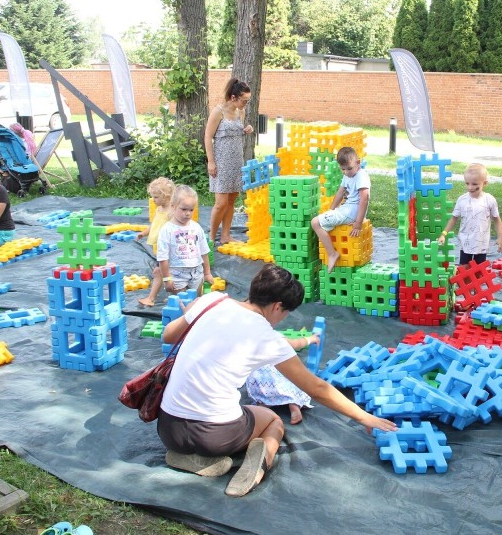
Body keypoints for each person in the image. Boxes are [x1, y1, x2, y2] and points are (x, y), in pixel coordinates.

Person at [158, 264, 397, 497]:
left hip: (167, 428)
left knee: (225, 411)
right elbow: (316, 388)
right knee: (273, 421)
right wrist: (363, 416)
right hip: (215, 436)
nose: (282, 319)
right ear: (278, 306)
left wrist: (194, 311)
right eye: (285, 313)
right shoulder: (266, 337)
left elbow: (169, 335)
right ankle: (257, 468)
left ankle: (189, 457)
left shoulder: (211, 301)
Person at [205, 78, 255, 246]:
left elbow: (239, 130)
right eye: (244, 100)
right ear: (233, 97)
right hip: (221, 161)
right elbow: (207, 137)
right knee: (221, 203)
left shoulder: (240, 112)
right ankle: (212, 237)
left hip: (236, 160)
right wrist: (211, 162)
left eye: (248, 101)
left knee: (232, 199)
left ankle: (226, 235)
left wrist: (248, 129)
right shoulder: (218, 111)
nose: (245, 104)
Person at [147, 185, 214, 305]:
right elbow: (163, 258)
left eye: (191, 210)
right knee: (181, 304)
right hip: (177, 274)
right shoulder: (167, 230)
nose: (188, 214)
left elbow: (204, 251)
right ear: (173, 206)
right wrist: (167, 279)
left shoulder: (196, 227)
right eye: (183, 209)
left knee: (195, 302)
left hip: (196, 272)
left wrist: (207, 273)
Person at [311, 147, 370, 273]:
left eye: (349, 168)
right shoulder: (348, 175)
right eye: (342, 169)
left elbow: (365, 199)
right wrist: (331, 211)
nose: (346, 172)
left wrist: (358, 223)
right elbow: (339, 194)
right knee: (323, 221)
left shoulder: (361, 176)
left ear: (358, 163)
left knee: (315, 222)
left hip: (352, 212)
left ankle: (332, 254)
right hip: (348, 209)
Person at [438, 163, 502, 265]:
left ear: (484, 183)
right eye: (467, 183)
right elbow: (454, 218)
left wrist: (500, 238)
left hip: (481, 242)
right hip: (466, 242)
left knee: (479, 272)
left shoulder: (489, 200)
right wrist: (444, 234)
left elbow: (497, 219)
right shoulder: (462, 200)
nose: (470, 187)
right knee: (464, 270)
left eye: (474, 184)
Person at [246, 333, 318, 425]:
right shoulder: (274, 336)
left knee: (259, 388)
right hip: (278, 377)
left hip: (259, 382)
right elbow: (296, 344)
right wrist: (310, 339)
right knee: (294, 380)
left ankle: (263, 405)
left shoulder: (248, 339)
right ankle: (294, 405)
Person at [137, 177, 175, 307]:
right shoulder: (159, 210)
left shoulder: (171, 212)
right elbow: (154, 224)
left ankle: (151, 298)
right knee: (167, 272)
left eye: (156, 197)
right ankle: (175, 296)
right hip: (161, 248)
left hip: (169, 249)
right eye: (153, 197)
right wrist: (144, 233)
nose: (153, 200)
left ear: (167, 196)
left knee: (159, 272)